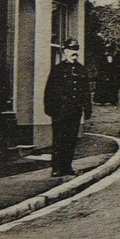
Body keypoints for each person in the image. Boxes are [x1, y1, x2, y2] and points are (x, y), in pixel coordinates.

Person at [44, 38, 93, 177]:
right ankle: (56, 168)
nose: (74, 53)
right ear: (65, 52)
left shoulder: (81, 69)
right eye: (71, 50)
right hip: (60, 111)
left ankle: (67, 166)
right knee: (59, 139)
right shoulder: (58, 69)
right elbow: (49, 91)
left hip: (75, 111)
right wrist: (51, 109)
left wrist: (87, 109)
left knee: (71, 140)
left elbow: (86, 91)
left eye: (76, 50)